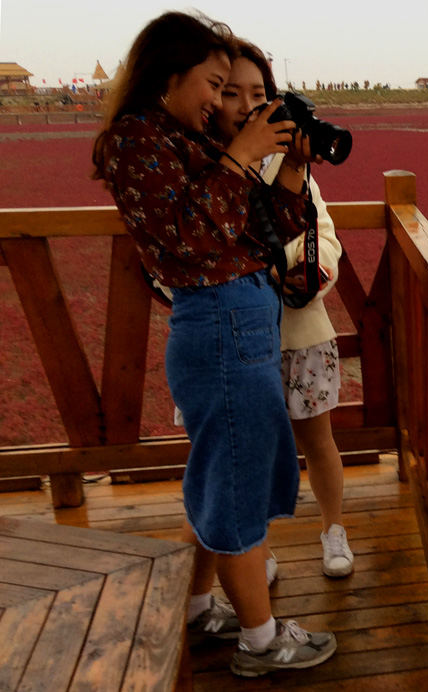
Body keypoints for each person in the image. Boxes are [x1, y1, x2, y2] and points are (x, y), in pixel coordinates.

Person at [91, 11, 336, 677]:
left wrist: (288, 168)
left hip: (244, 325)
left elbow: (263, 233)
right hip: (221, 328)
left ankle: (201, 609)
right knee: (234, 483)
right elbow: (189, 239)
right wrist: (240, 154)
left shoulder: (187, 142)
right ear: (170, 76)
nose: (220, 100)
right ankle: (260, 642)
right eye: (215, 83)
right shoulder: (133, 143)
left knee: (227, 474)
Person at [211, 40, 353, 581]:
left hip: (301, 328)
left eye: (259, 93)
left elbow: (324, 237)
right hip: (236, 337)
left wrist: (295, 273)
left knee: (319, 440)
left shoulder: (291, 164)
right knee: (245, 449)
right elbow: (213, 248)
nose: (247, 106)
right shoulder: (204, 170)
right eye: (230, 93)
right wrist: (266, 268)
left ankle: (332, 530)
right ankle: (257, 548)